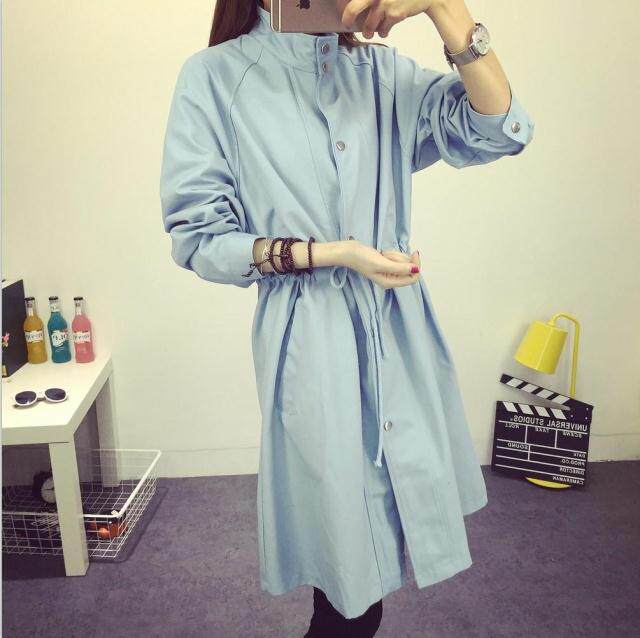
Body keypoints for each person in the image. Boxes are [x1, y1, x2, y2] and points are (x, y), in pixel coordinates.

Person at [159, 0, 534, 635]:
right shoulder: (215, 76)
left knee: (378, 549)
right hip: (311, 341)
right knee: (346, 563)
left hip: (399, 335)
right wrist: (333, 254)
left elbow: (499, 129)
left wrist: (444, 8)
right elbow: (200, 239)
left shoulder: (383, 74)